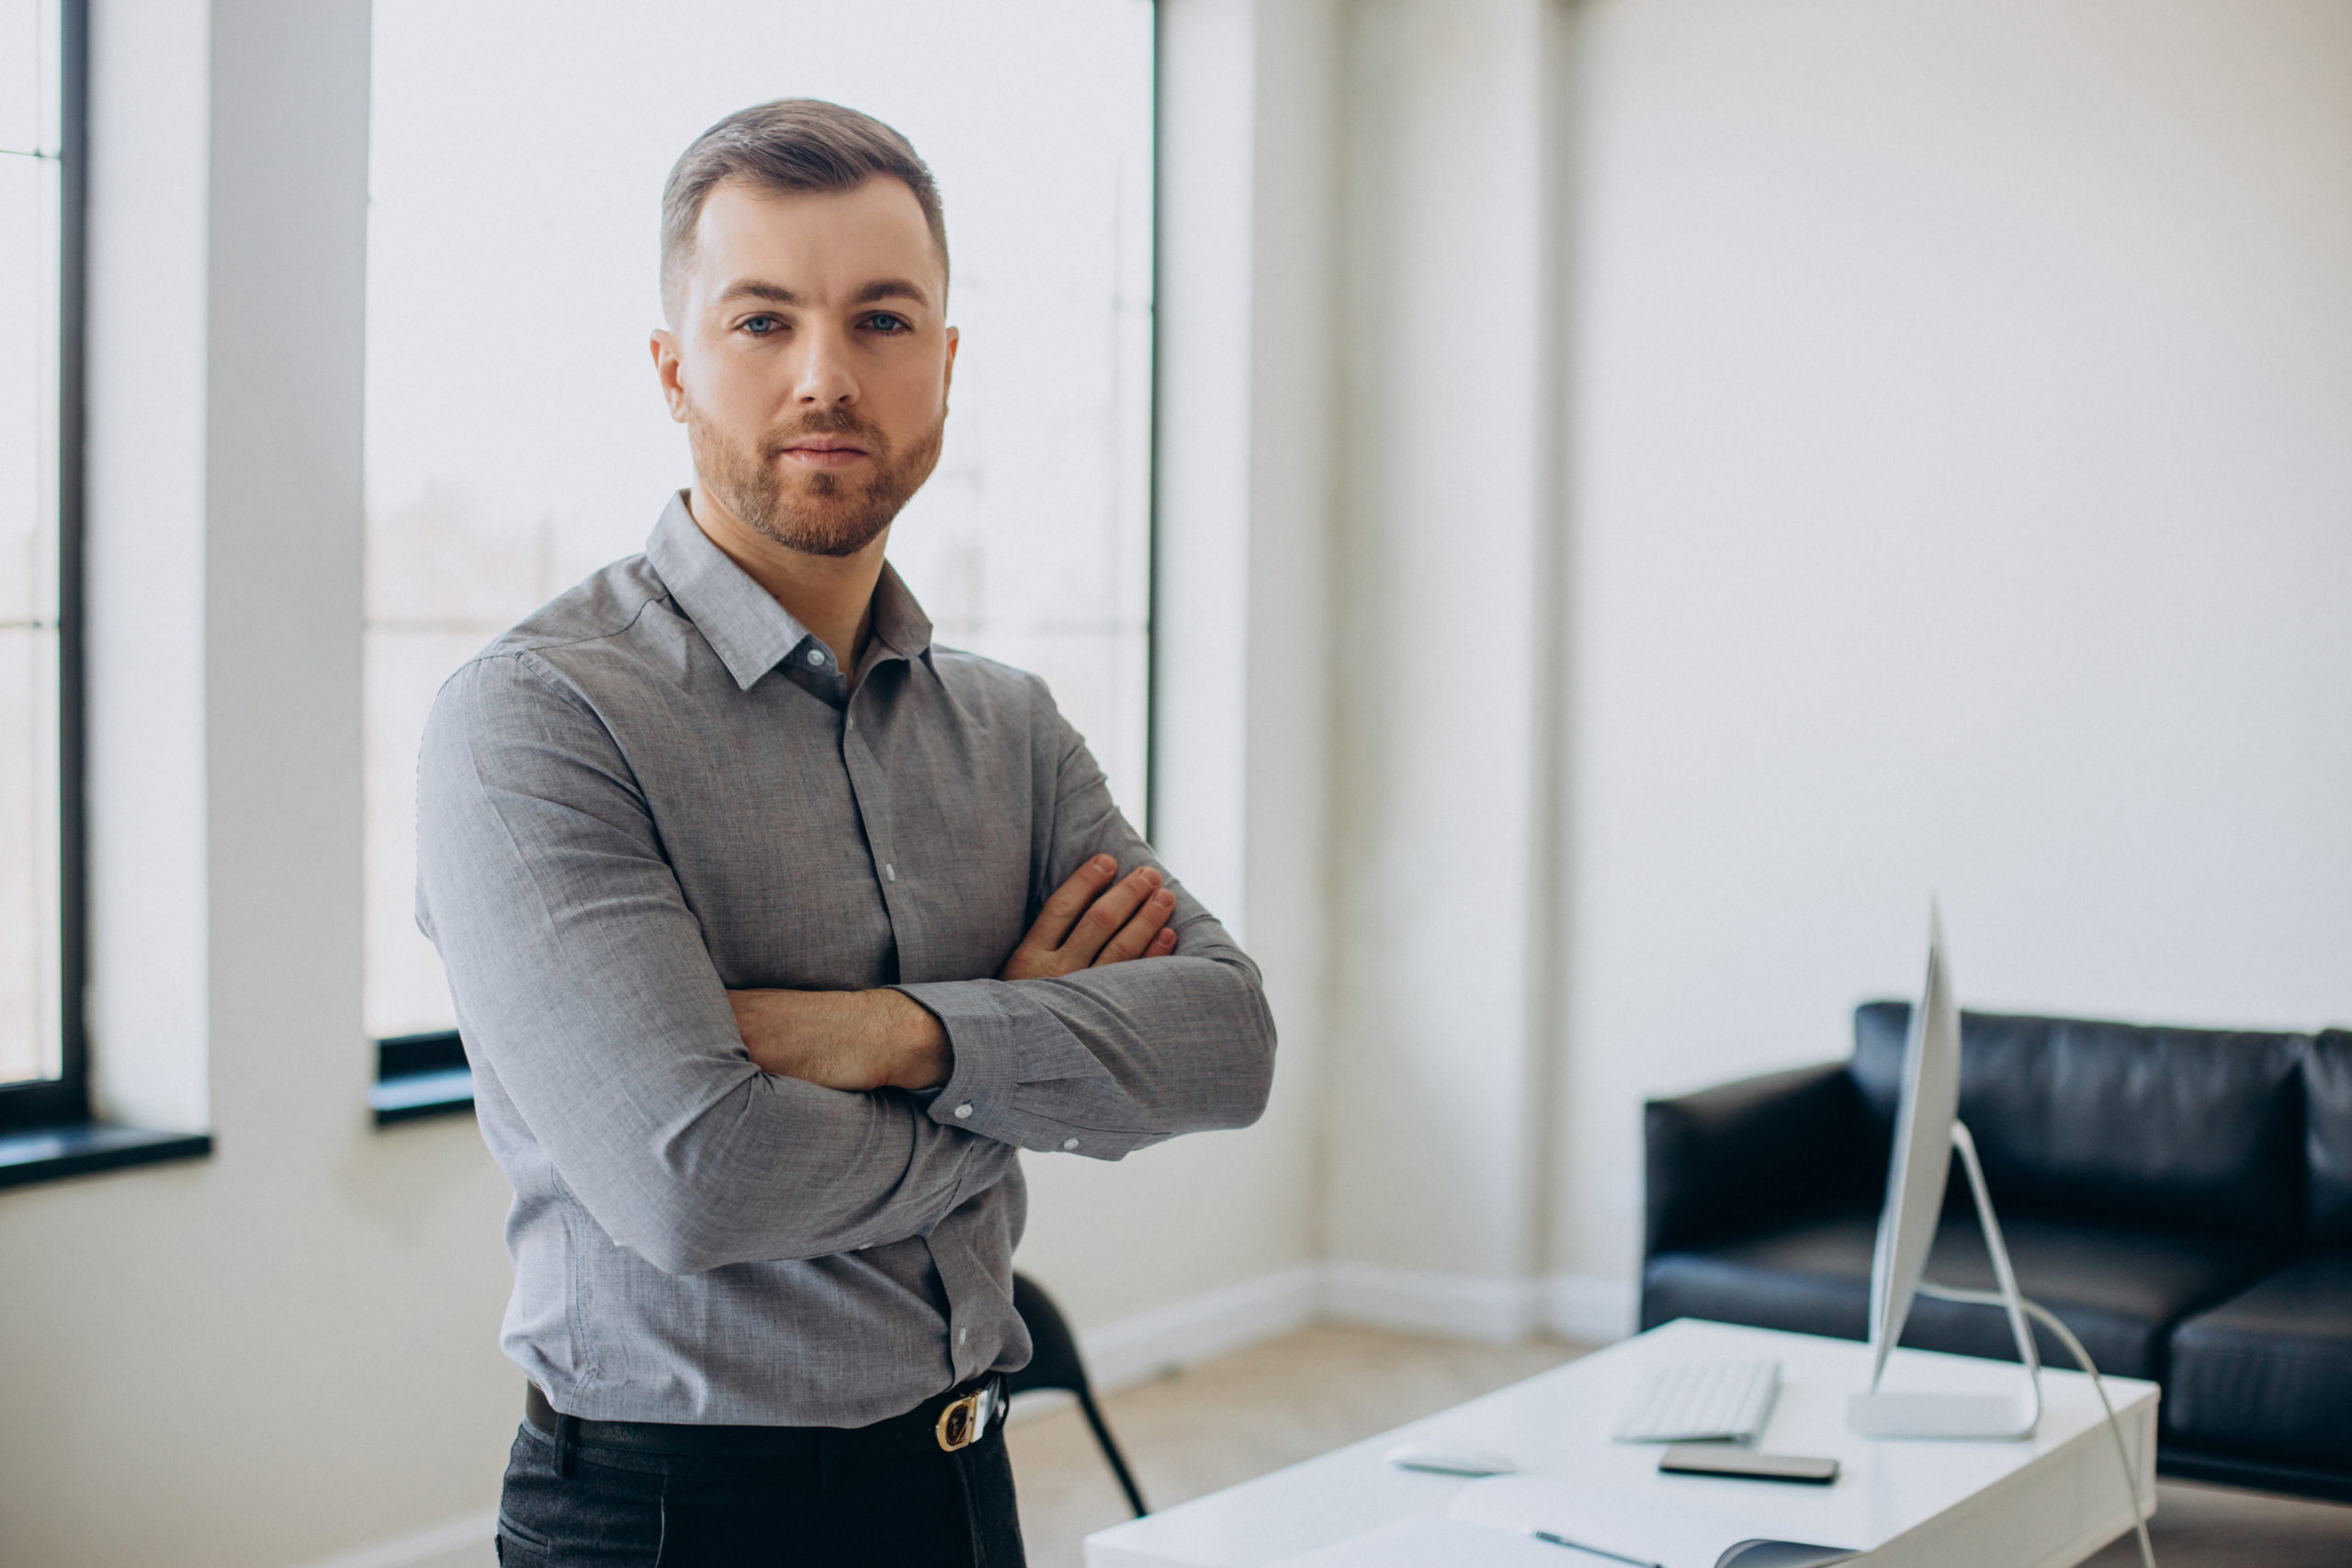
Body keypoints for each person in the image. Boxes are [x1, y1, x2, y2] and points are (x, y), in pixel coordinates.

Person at [414, 98, 1275, 1567]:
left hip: (965, 1486)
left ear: (944, 367)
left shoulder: (1009, 729)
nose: (827, 376)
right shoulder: (535, 720)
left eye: (882, 321)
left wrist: (892, 1037)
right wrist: (1021, 1067)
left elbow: (1229, 1047)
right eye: (762, 323)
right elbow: (696, 1179)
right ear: (673, 368)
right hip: (675, 1522)